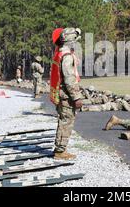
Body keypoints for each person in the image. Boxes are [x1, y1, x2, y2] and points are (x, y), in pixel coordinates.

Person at [50, 27, 83, 160]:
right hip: (67, 96)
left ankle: (60, 148)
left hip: (61, 93)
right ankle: (60, 151)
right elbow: (69, 79)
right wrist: (76, 97)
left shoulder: (59, 53)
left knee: (63, 121)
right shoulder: (67, 56)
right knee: (66, 122)